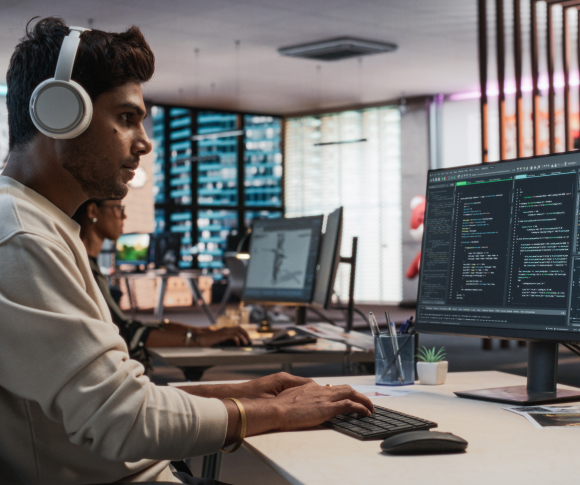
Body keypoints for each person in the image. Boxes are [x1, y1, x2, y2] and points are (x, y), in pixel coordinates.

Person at [0, 17, 373, 484]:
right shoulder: (21, 237)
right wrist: (276, 413)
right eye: (125, 118)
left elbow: (115, 395)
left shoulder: (40, 225)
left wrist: (248, 393)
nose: (145, 142)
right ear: (59, 112)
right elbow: (124, 420)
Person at [72, 198, 251, 371]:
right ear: (93, 211)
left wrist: (200, 331)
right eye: (118, 208)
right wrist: (198, 339)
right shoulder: (84, 271)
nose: (124, 216)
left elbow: (124, 324)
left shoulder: (88, 265)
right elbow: (124, 333)